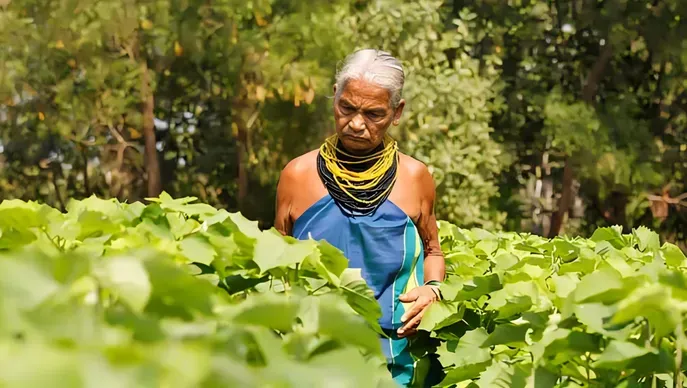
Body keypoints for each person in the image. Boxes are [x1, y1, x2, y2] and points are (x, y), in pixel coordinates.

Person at [274, 49, 445, 386]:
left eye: (374, 114)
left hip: (395, 360)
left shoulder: (414, 178)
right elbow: (277, 262)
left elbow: (433, 250)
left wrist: (433, 291)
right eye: (346, 108)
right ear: (334, 97)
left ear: (397, 113)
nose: (355, 123)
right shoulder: (297, 175)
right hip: (310, 359)